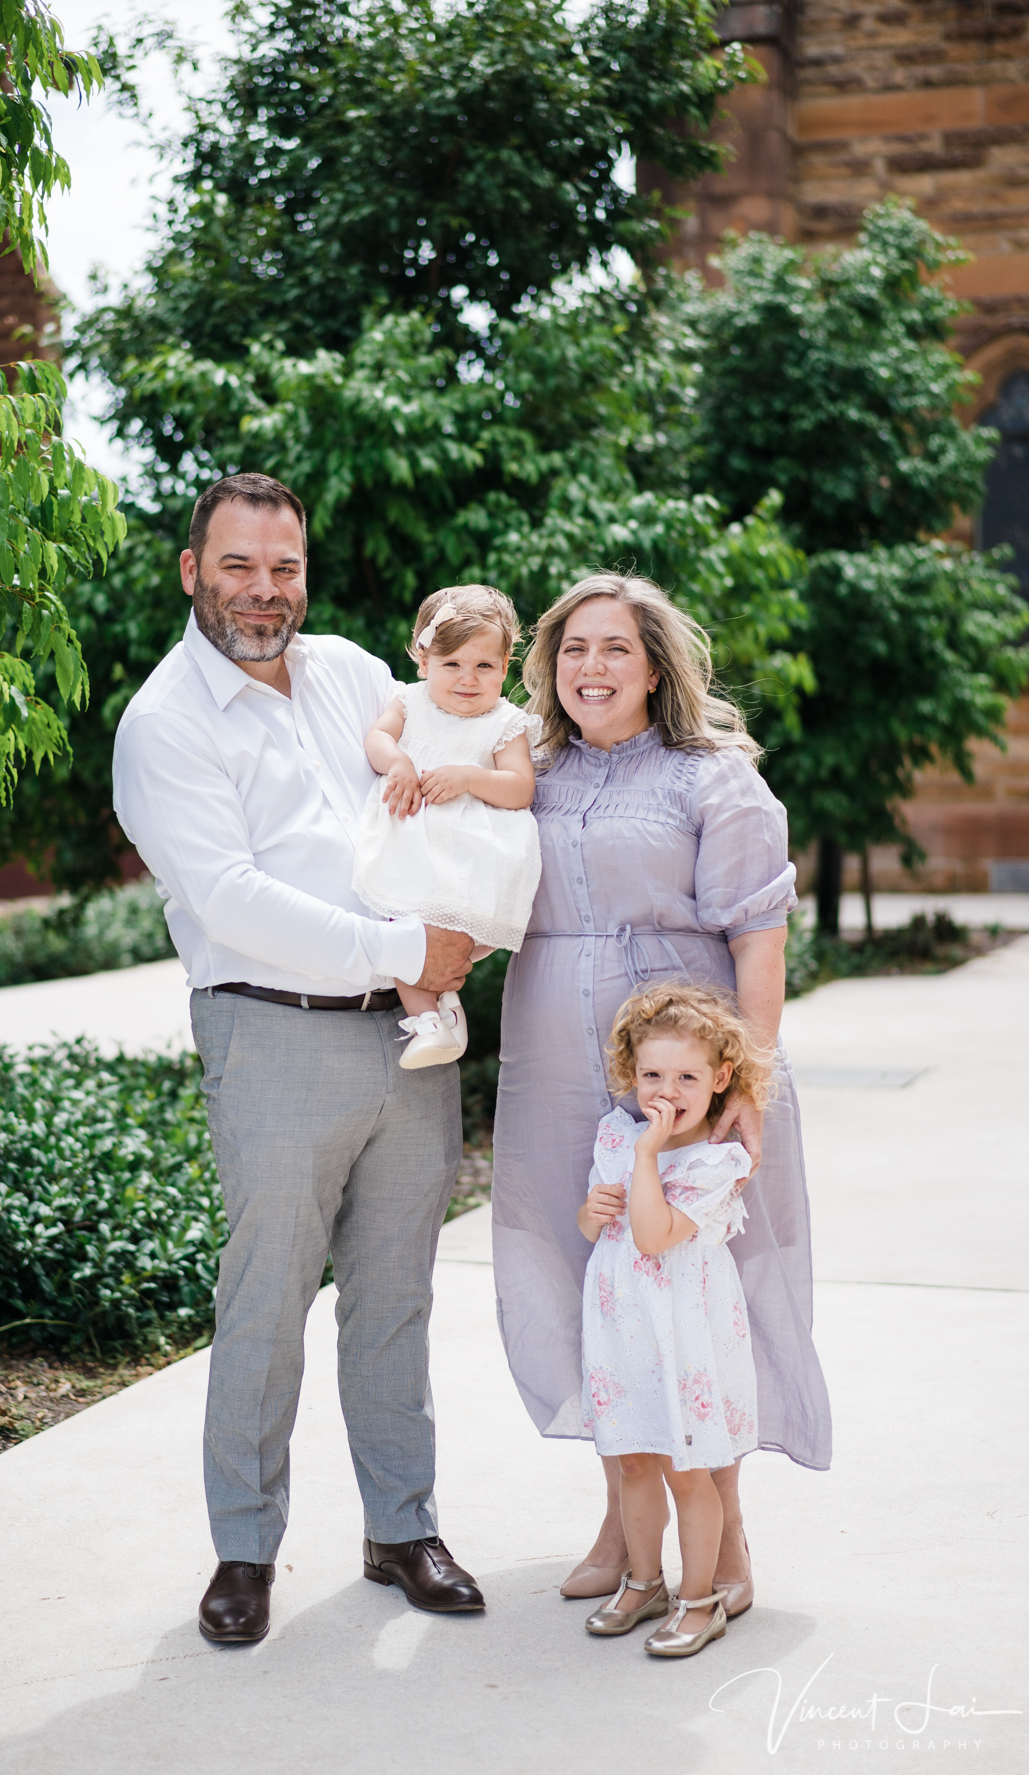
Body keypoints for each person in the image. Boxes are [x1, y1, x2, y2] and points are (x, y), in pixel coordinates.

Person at [113, 471, 486, 1646]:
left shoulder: (355, 677)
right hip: (270, 1027)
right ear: (192, 571)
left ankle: (401, 1526)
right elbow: (231, 901)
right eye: (238, 566)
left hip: (410, 1034)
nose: (263, 592)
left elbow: (458, 758)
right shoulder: (164, 721)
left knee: (396, 1296)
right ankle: (243, 1550)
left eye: (283, 568)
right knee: (265, 1300)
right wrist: (406, 943)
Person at [493, 571, 832, 1615]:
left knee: (695, 1297)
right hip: (551, 1053)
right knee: (590, 1281)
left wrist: (751, 1081)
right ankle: (625, 1519)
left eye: (616, 649)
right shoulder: (526, 771)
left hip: (683, 1065)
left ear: (656, 667)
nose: (591, 668)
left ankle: (721, 1542)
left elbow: (759, 933)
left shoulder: (710, 777)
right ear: (549, 665)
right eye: (574, 649)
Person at [577, 982, 767, 1658]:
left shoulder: (717, 1162)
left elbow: (655, 1236)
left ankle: (701, 1597)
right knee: (632, 1461)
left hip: (681, 1336)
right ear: (631, 1075)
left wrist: (646, 1157)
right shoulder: (616, 1133)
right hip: (623, 1329)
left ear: (720, 1079)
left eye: (686, 1077)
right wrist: (593, 1211)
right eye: (651, 1074)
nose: (666, 1090)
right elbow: (605, 1228)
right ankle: (643, 1579)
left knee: (689, 1468)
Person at [353, 586, 541, 1068]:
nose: (467, 679)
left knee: (444, 936)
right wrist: (397, 763)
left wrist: (472, 778)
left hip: (468, 856)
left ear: (504, 667)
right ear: (423, 662)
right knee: (404, 927)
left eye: (484, 666)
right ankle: (431, 1022)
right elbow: (377, 738)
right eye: (452, 664)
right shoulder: (409, 702)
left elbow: (520, 788)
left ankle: (440, 1011)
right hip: (414, 844)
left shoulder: (505, 722)